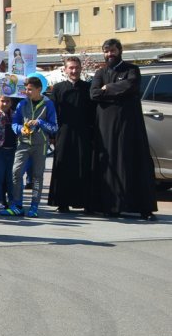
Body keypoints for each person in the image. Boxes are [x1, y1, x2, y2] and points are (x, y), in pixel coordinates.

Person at [89, 39, 157, 219]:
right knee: (110, 164)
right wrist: (110, 91)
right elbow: (94, 93)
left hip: (129, 127)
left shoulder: (131, 69)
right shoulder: (100, 72)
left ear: (120, 50)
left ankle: (143, 207)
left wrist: (107, 88)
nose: (109, 54)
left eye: (112, 50)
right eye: (106, 51)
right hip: (106, 128)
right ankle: (111, 207)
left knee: (134, 163)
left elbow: (130, 86)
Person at [48, 55, 95, 214]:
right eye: (71, 68)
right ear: (65, 69)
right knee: (63, 166)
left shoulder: (88, 88)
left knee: (84, 166)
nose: (74, 70)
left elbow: (93, 113)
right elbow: (52, 113)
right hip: (64, 132)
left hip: (83, 133)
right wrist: (52, 134)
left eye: (76, 67)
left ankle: (87, 202)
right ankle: (62, 203)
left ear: (81, 68)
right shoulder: (58, 88)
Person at [11, 76, 58, 218]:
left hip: (40, 145)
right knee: (16, 173)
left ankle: (34, 206)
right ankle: (17, 205)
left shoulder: (48, 104)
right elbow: (14, 123)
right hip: (23, 143)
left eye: (30, 89)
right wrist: (20, 129)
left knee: (37, 176)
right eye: (25, 89)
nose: (27, 92)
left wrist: (40, 123)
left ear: (39, 89)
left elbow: (54, 127)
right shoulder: (22, 104)